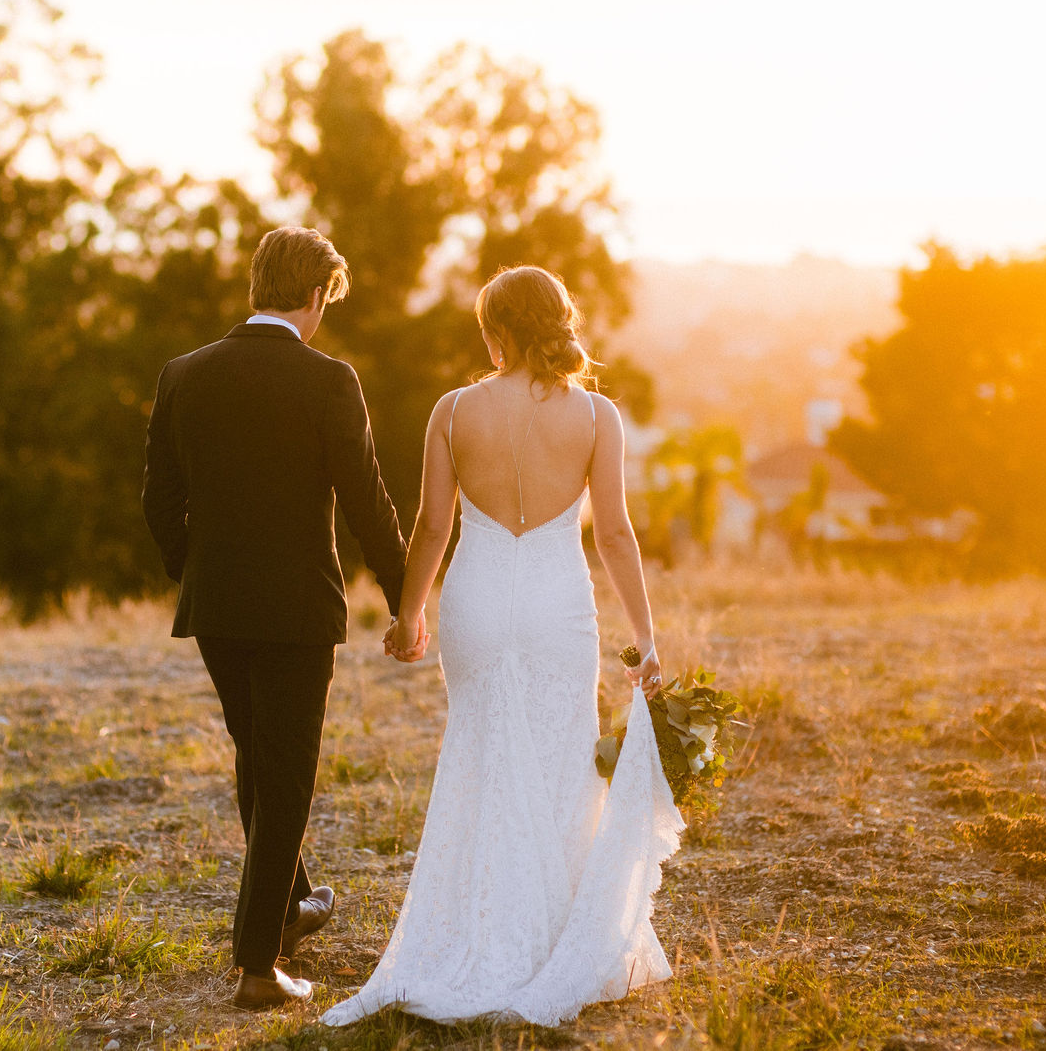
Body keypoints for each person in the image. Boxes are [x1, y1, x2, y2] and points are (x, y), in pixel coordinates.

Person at [324, 265, 683, 1028]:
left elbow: (432, 526)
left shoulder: (454, 411)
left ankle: (478, 932)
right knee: (562, 760)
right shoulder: (598, 416)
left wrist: (408, 614)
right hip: (558, 608)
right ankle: (553, 939)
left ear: (500, 332)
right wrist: (646, 637)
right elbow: (615, 534)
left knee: (481, 756)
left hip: (478, 602)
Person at [141, 226, 416, 1011]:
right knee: (285, 779)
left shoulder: (183, 372)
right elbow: (366, 501)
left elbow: (159, 500)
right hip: (297, 612)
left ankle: (292, 907)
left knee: (258, 761)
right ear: (316, 294)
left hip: (216, 608)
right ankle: (259, 967)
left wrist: (197, 570)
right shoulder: (329, 380)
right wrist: (406, 598)